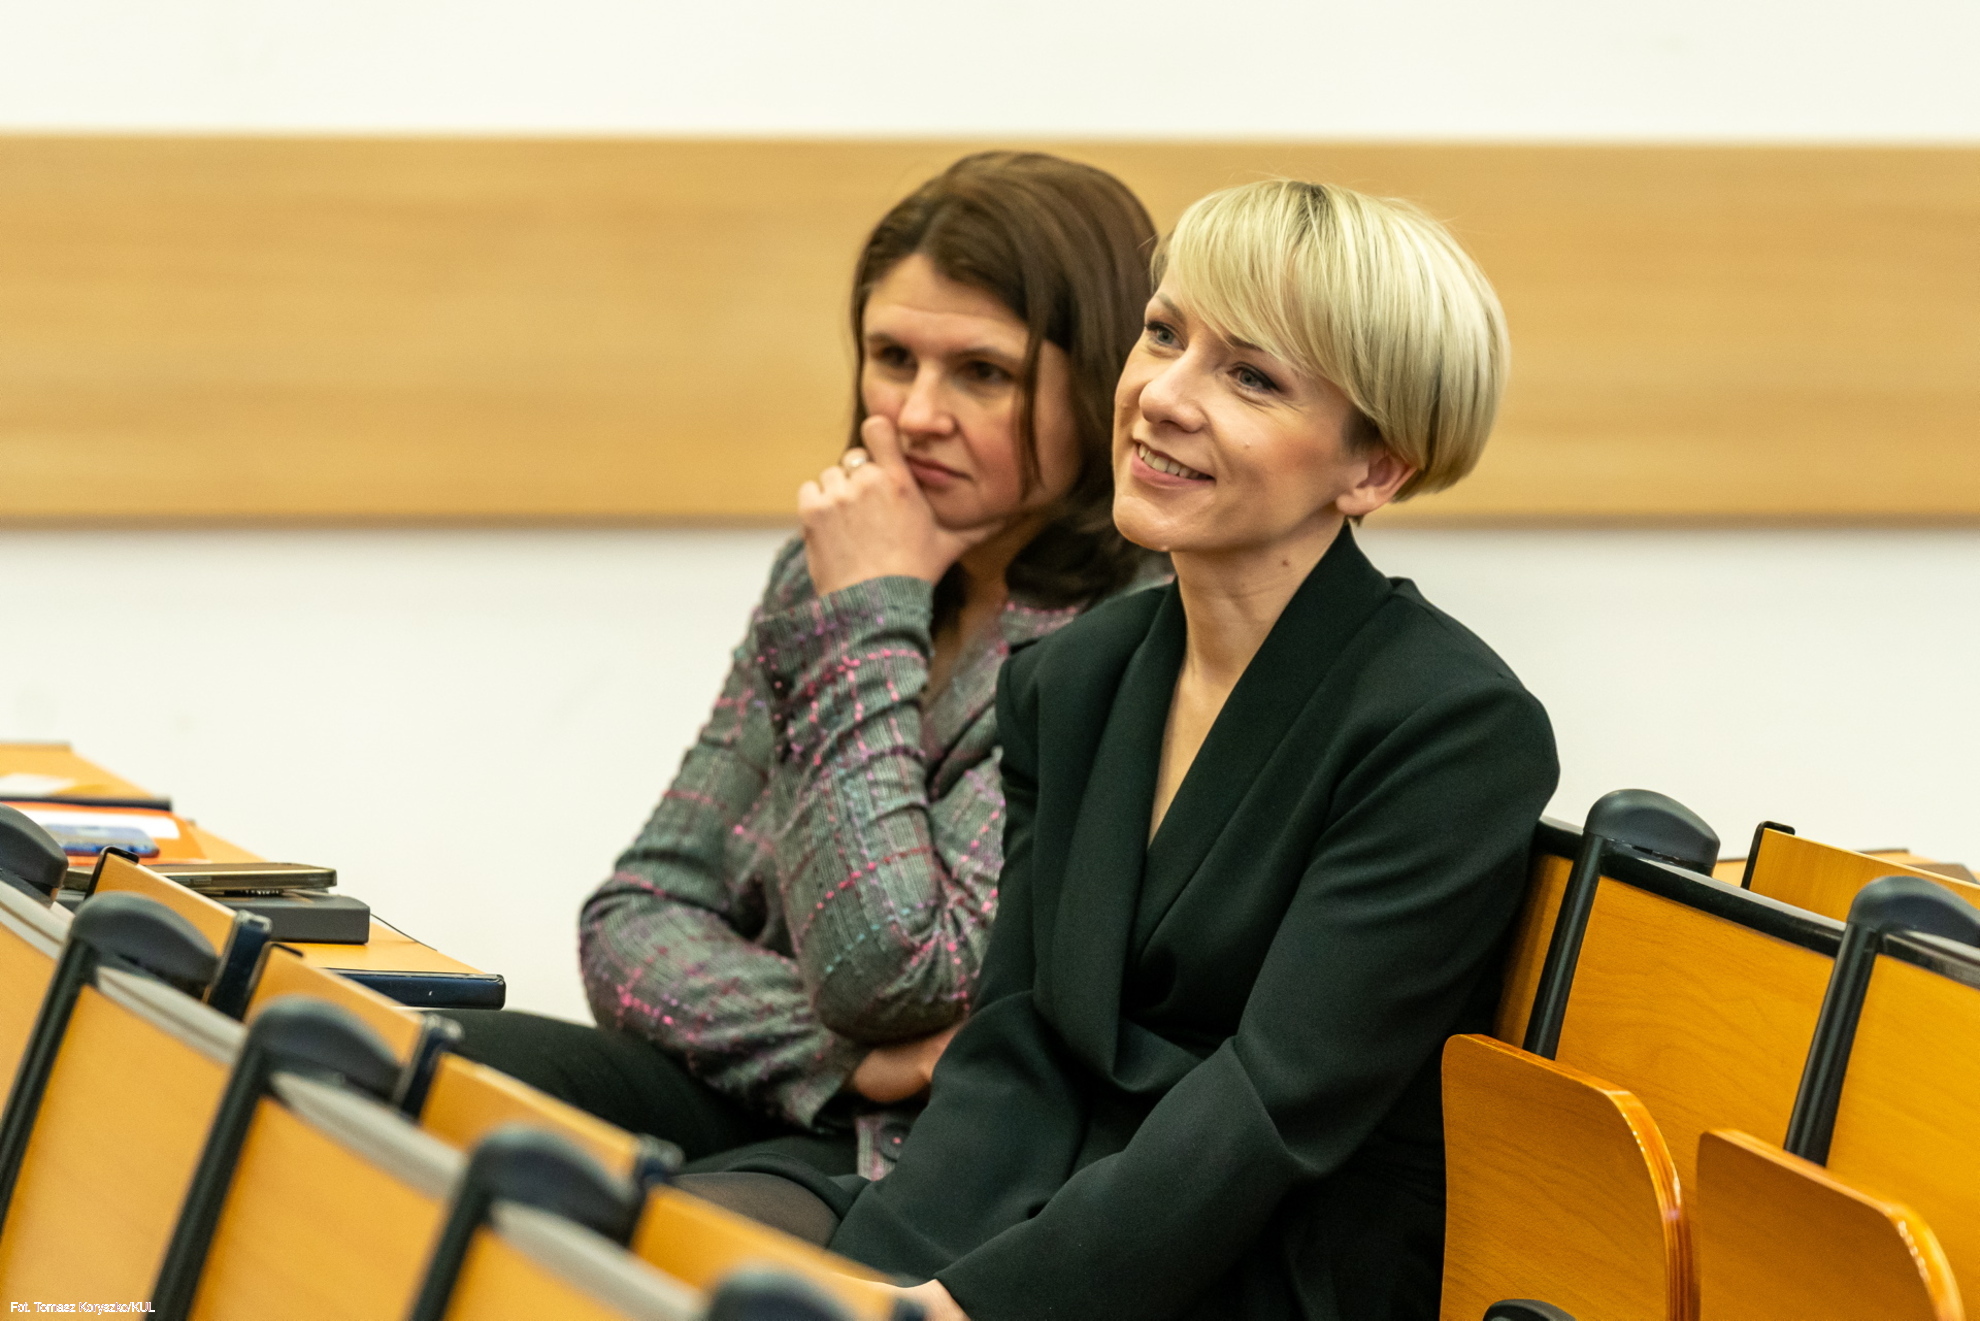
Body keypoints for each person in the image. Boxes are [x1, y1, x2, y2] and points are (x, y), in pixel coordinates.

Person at [699, 179, 1561, 1321]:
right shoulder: (1075, 675)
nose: (1160, 394)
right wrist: (898, 1275)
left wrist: (970, 1307)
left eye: (1249, 376)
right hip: (1031, 1213)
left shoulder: (1454, 727)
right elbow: (1014, 1042)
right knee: (658, 1260)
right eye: (1164, 334)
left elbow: (1273, 1104)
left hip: (1260, 1262)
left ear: (1374, 470)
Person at [440, 152, 1163, 1180]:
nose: (916, 413)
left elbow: (896, 970)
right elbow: (634, 913)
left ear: (1097, 390)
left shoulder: (1128, 631)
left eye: (982, 372)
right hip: (790, 1086)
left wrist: (869, 614)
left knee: (631, 1218)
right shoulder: (828, 563)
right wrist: (852, 1061)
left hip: (937, 1157)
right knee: (420, 1070)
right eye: (892, 357)